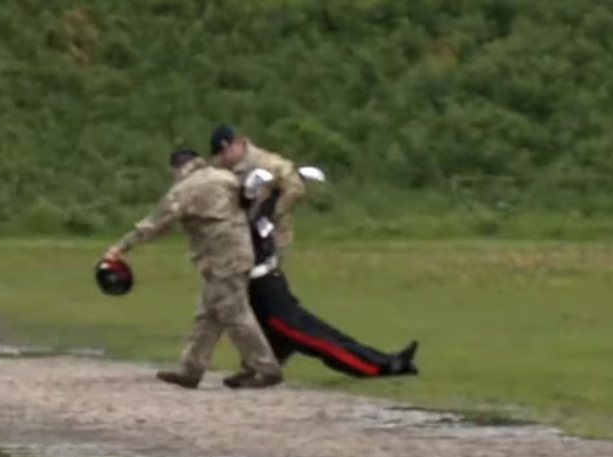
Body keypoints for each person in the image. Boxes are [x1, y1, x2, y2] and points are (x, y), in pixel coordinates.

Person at [102, 149, 282, 389]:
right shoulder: (224, 177)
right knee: (208, 314)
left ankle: (265, 368)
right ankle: (191, 370)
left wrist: (120, 247)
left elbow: (154, 224)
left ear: (177, 168)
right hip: (237, 251)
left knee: (235, 313)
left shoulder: (184, 189)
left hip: (221, 259)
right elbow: (249, 200)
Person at [225, 178, 419, 384]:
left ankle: (387, 360)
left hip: (272, 284)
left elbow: (267, 209)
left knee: (325, 334)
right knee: (319, 341)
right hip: (264, 292)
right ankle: (382, 367)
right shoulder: (235, 224)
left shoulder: (254, 217)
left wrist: (279, 189)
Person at [210, 125, 305, 253]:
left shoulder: (267, 163)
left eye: (224, 152)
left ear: (236, 144)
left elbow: (295, 186)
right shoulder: (220, 168)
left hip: (270, 237)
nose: (221, 158)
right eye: (219, 154)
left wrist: (274, 211)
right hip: (237, 240)